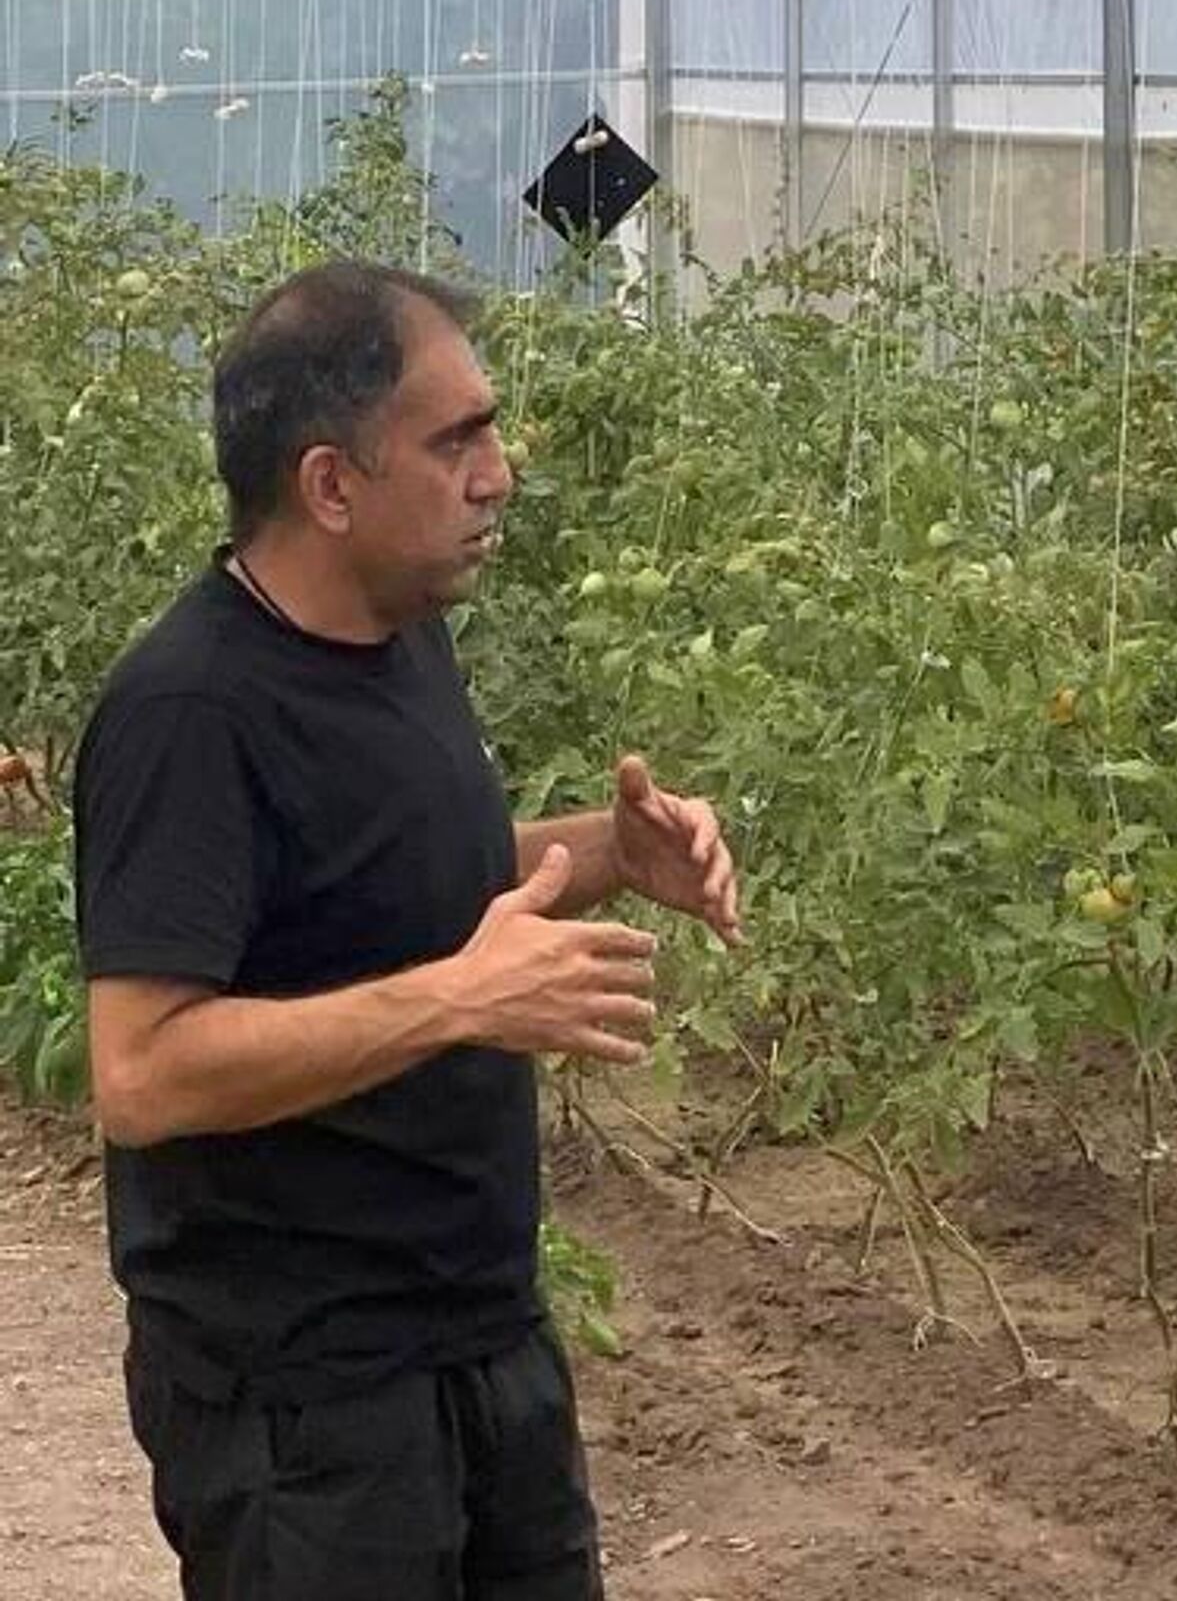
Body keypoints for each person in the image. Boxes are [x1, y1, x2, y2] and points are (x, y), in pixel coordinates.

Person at [75, 260, 742, 1601]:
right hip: (305, 1401)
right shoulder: (190, 715)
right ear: (331, 485)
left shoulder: (400, 640)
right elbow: (141, 1072)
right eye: (456, 442)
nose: (498, 475)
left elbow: (389, 886)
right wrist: (461, 1001)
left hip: (480, 1344)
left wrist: (610, 853)